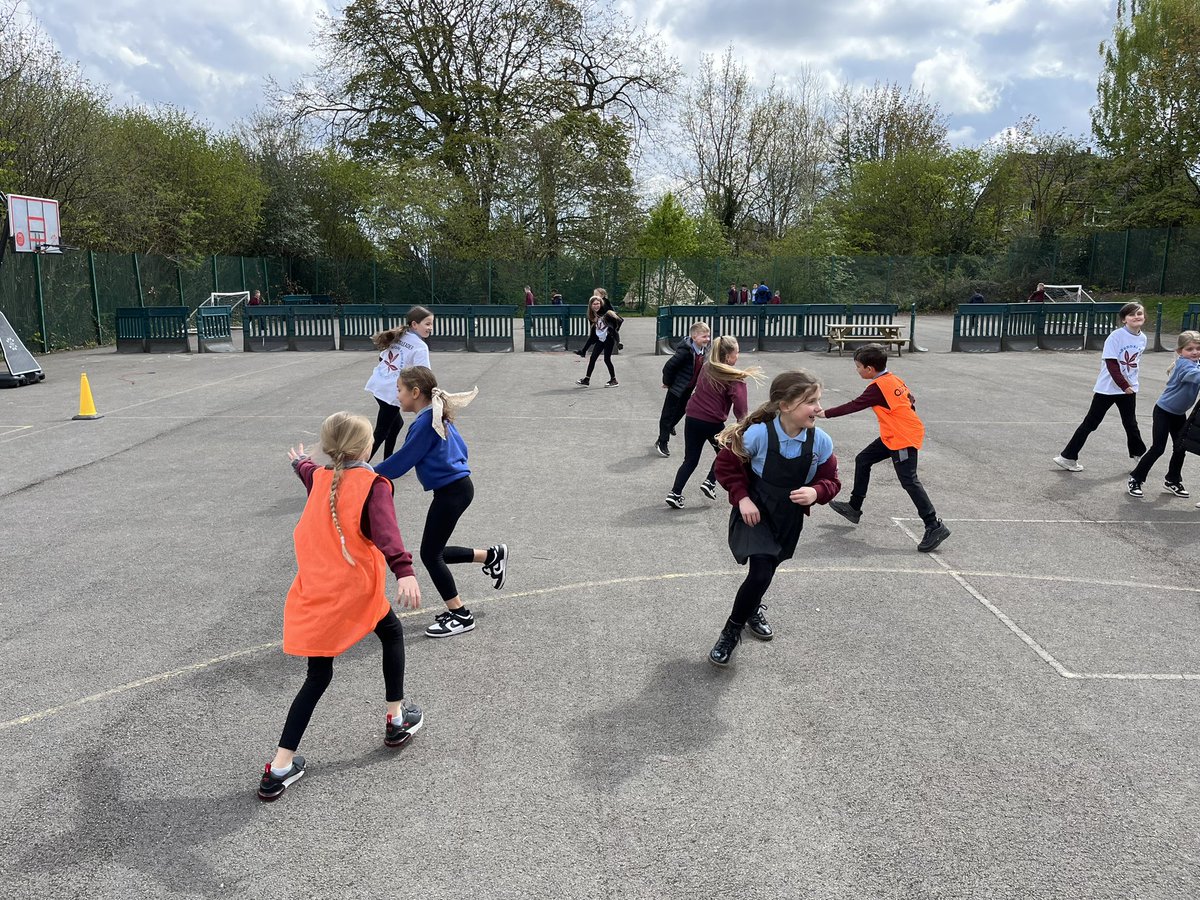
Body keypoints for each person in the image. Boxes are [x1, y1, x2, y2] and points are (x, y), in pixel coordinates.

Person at [257, 412, 423, 802]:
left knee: (317, 677)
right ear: (367, 448)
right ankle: (396, 720)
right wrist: (404, 571)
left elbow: (308, 469)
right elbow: (387, 532)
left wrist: (299, 461)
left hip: (316, 593)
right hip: (354, 591)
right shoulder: (373, 484)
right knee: (392, 633)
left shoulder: (318, 478)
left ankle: (279, 767)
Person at [707, 370, 840, 667]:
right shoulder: (758, 434)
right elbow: (725, 466)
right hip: (756, 511)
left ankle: (751, 607)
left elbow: (831, 480)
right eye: (811, 401)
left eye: (818, 400)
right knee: (760, 572)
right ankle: (731, 631)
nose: (818, 408)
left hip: (789, 517)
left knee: (767, 570)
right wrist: (741, 498)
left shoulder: (820, 442)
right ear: (785, 405)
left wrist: (817, 492)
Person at [376, 366, 508, 638]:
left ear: (415, 392)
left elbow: (402, 461)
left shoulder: (425, 423)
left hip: (452, 491)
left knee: (429, 554)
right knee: (433, 551)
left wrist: (364, 472)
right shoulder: (437, 416)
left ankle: (460, 614)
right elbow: (463, 449)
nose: (397, 395)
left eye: (399, 390)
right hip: (456, 488)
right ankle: (490, 556)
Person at [822, 344, 951, 553]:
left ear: (870, 369)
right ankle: (854, 507)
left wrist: (824, 414)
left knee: (909, 480)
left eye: (858, 367)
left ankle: (934, 525)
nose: (857, 370)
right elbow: (911, 400)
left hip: (902, 437)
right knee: (863, 459)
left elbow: (854, 405)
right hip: (893, 435)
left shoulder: (877, 387)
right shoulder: (893, 379)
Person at [666, 336, 760, 509]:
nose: (738, 356)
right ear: (727, 357)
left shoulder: (707, 367)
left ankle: (675, 493)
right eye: (737, 352)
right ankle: (710, 482)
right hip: (712, 422)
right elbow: (740, 407)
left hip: (693, 418)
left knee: (690, 459)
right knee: (727, 453)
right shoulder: (734, 377)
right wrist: (743, 425)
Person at [1053, 301, 1148, 473]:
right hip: (1108, 388)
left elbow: (1134, 363)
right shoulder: (1116, 336)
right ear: (1124, 319)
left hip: (1129, 388)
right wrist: (1123, 385)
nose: (1136, 317)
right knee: (1091, 423)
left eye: (1139, 313)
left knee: (1131, 423)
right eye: (1132, 314)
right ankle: (1067, 457)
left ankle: (1139, 455)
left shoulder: (1142, 338)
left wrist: (1130, 385)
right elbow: (1112, 364)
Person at [1127, 331, 1200, 497]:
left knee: (1180, 448)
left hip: (1179, 414)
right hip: (1164, 411)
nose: (1194, 352)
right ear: (1180, 351)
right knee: (1158, 448)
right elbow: (1195, 377)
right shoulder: (1184, 365)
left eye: (1198, 348)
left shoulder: (1196, 363)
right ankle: (1136, 478)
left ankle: (1172, 480)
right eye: (1190, 349)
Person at [363, 306, 435, 461]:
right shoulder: (420, 346)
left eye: (431, 324)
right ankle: (357, 468)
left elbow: (382, 358)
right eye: (427, 324)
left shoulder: (400, 336)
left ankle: (387, 460)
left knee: (396, 424)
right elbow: (424, 373)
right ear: (415, 324)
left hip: (379, 385)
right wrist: (433, 392)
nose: (431, 328)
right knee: (381, 432)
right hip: (391, 393)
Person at [656, 322, 711, 459]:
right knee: (668, 414)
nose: (707, 339)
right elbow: (669, 367)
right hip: (677, 387)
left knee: (683, 410)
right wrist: (667, 382)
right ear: (694, 336)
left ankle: (669, 427)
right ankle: (662, 441)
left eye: (708, 336)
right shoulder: (685, 351)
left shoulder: (704, 350)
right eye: (704, 336)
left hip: (689, 387)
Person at [575, 295, 621, 387]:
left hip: (609, 339)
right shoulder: (592, 317)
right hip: (600, 339)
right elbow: (592, 335)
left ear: (601, 304)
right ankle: (586, 380)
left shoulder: (607, 314)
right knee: (592, 358)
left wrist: (618, 342)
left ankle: (614, 380)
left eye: (598, 304)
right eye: (594, 304)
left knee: (607, 359)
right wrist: (584, 350)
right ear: (591, 306)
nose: (596, 306)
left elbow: (614, 330)